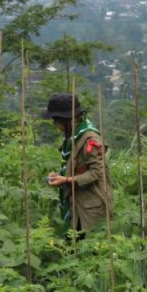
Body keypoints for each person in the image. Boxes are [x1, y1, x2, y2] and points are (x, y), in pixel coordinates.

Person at [43, 93, 113, 234]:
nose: (55, 125)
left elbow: (96, 172)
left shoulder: (89, 139)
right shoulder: (73, 137)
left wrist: (67, 180)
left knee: (94, 248)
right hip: (76, 203)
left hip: (92, 204)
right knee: (74, 244)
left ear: (67, 120)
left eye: (56, 120)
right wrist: (61, 176)